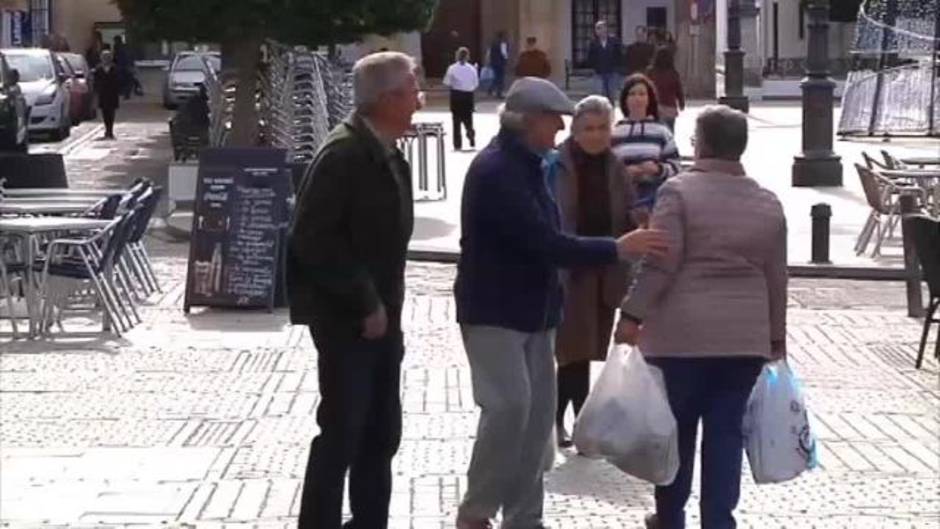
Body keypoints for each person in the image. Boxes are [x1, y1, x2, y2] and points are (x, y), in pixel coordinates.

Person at [453, 77, 669, 529]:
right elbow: (545, 242)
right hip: (494, 309)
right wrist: (616, 248)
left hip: (537, 309)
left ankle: (525, 517)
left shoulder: (532, 163)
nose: (559, 128)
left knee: (534, 423)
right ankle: (476, 509)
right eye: (554, 120)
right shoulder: (496, 170)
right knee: (509, 408)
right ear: (528, 121)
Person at [615, 105, 788, 529]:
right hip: (743, 341)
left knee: (677, 432)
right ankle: (718, 520)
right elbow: (776, 277)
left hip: (681, 339)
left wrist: (632, 313)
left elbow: (661, 262)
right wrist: (775, 336)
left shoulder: (678, 193)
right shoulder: (767, 202)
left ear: (703, 144)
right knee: (726, 434)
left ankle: (670, 517)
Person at [287, 51, 423, 529]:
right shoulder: (343, 154)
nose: (419, 99)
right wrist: (362, 299)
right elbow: (311, 238)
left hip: (385, 319)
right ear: (386, 99)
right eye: (411, 89)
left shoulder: (387, 153)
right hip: (348, 322)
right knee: (342, 432)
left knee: (380, 434)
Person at [553, 95, 641, 448]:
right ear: (575, 131)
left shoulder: (615, 166)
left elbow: (629, 207)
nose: (595, 136)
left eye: (602, 128)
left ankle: (578, 421)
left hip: (605, 266)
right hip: (569, 267)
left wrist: (639, 220)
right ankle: (564, 420)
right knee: (572, 350)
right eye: (588, 129)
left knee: (589, 349)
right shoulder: (557, 163)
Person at [611, 74, 681, 223]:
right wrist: (624, 173)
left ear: (649, 99)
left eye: (642, 94)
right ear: (625, 99)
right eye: (632, 94)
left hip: (655, 200)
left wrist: (658, 169)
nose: (637, 98)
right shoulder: (615, 133)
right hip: (623, 200)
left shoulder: (661, 131)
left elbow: (676, 167)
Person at [443, 47, 479, 151]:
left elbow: (447, 82)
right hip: (468, 95)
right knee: (468, 119)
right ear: (468, 56)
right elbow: (476, 83)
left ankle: (457, 144)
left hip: (456, 95)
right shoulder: (472, 69)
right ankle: (470, 133)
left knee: (456, 121)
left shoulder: (452, 68)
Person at [646, 47, 685, 132]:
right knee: (669, 133)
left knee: (655, 131)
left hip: (655, 107)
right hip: (670, 107)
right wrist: (681, 103)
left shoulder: (651, 72)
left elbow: (646, 87)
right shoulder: (673, 73)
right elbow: (679, 90)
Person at [587, 20, 623, 103]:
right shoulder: (593, 43)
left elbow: (619, 55)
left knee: (611, 95)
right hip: (599, 72)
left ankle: (611, 112)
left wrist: (617, 68)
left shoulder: (614, 41)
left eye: (600, 28)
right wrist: (594, 67)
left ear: (606, 29)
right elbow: (590, 57)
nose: (598, 31)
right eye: (597, 29)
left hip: (612, 72)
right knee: (601, 96)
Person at [93, 50, 120, 140]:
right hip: (103, 94)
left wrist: (119, 91)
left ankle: (110, 131)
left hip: (112, 94)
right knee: (105, 113)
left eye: (108, 57)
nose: (106, 59)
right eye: (104, 57)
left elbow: (118, 81)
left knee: (111, 113)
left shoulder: (115, 68)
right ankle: (107, 130)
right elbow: (95, 81)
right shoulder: (98, 68)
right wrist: (96, 91)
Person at [487, 31, 509, 98]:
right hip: (500, 62)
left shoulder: (493, 43)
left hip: (494, 62)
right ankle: (499, 92)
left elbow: (489, 53)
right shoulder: (503, 44)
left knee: (496, 76)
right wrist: (506, 60)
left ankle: (491, 89)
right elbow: (504, 54)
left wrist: (489, 61)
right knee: (500, 78)